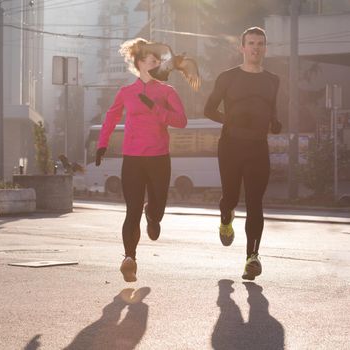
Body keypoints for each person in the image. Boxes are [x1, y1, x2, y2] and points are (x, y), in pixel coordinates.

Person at [96, 38, 188, 282]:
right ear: (139, 63)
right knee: (131, 209)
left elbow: (181, 121)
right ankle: (129, 259)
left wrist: (156, 109)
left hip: (159, 158)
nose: (155, 62)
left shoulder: (167, 91)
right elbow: (111, 117)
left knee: (156, 207)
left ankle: (153, 215)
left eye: (158, 60)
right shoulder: (127, 92)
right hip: (133, 159)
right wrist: (102, 144)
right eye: (151, 59)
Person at [204, 27, 282, 281]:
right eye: (251, 43)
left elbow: (272, 111)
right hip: (231, 146)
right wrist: (231, 120)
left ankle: (253, 257)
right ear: (242, 48)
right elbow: (208, 109)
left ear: (265, 48)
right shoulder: (227, 77)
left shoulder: (272, 80)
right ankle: (226, 217)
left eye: (260, 43)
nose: (255, 48)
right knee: (230, 197)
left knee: (255, 203)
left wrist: (275, 122)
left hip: (258, 147)